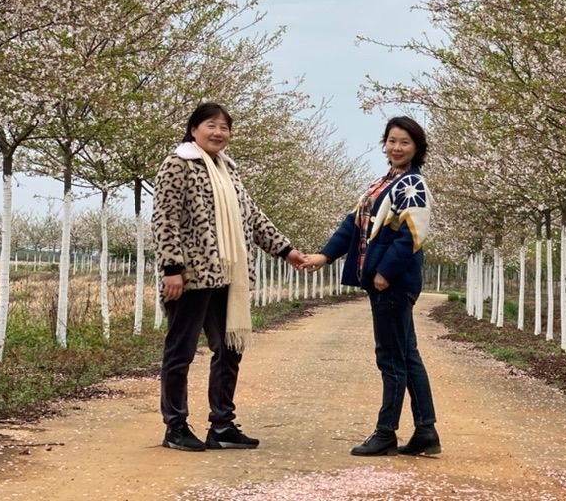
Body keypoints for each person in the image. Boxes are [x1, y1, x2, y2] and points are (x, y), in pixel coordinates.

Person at [151, 102, 306, 451]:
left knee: (229, 349)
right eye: (211, 125)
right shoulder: (178, 165)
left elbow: (251, 217)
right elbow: (164, 219)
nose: (218, 132)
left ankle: (221, 424)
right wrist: (172, 268)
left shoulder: (227, 169)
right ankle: (174, 426)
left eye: (224, 127)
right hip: (190, 276)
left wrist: (287, 251)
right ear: (194, 129)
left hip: (228, 276)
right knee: (181, 351)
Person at [304, 116, 441, 457]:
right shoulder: (382, 184)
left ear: (416, 148)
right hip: (383, 282)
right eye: (392, 141)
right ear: (384, 143)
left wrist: (385, 273)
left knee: (391, 358)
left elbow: (412, 234)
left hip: (391, 284)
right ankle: (426, 431)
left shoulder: (412, 185)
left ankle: (386, 432)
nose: (397, 147)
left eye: (405, 142)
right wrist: (325, 255)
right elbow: (352, 226)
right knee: (406, 356)